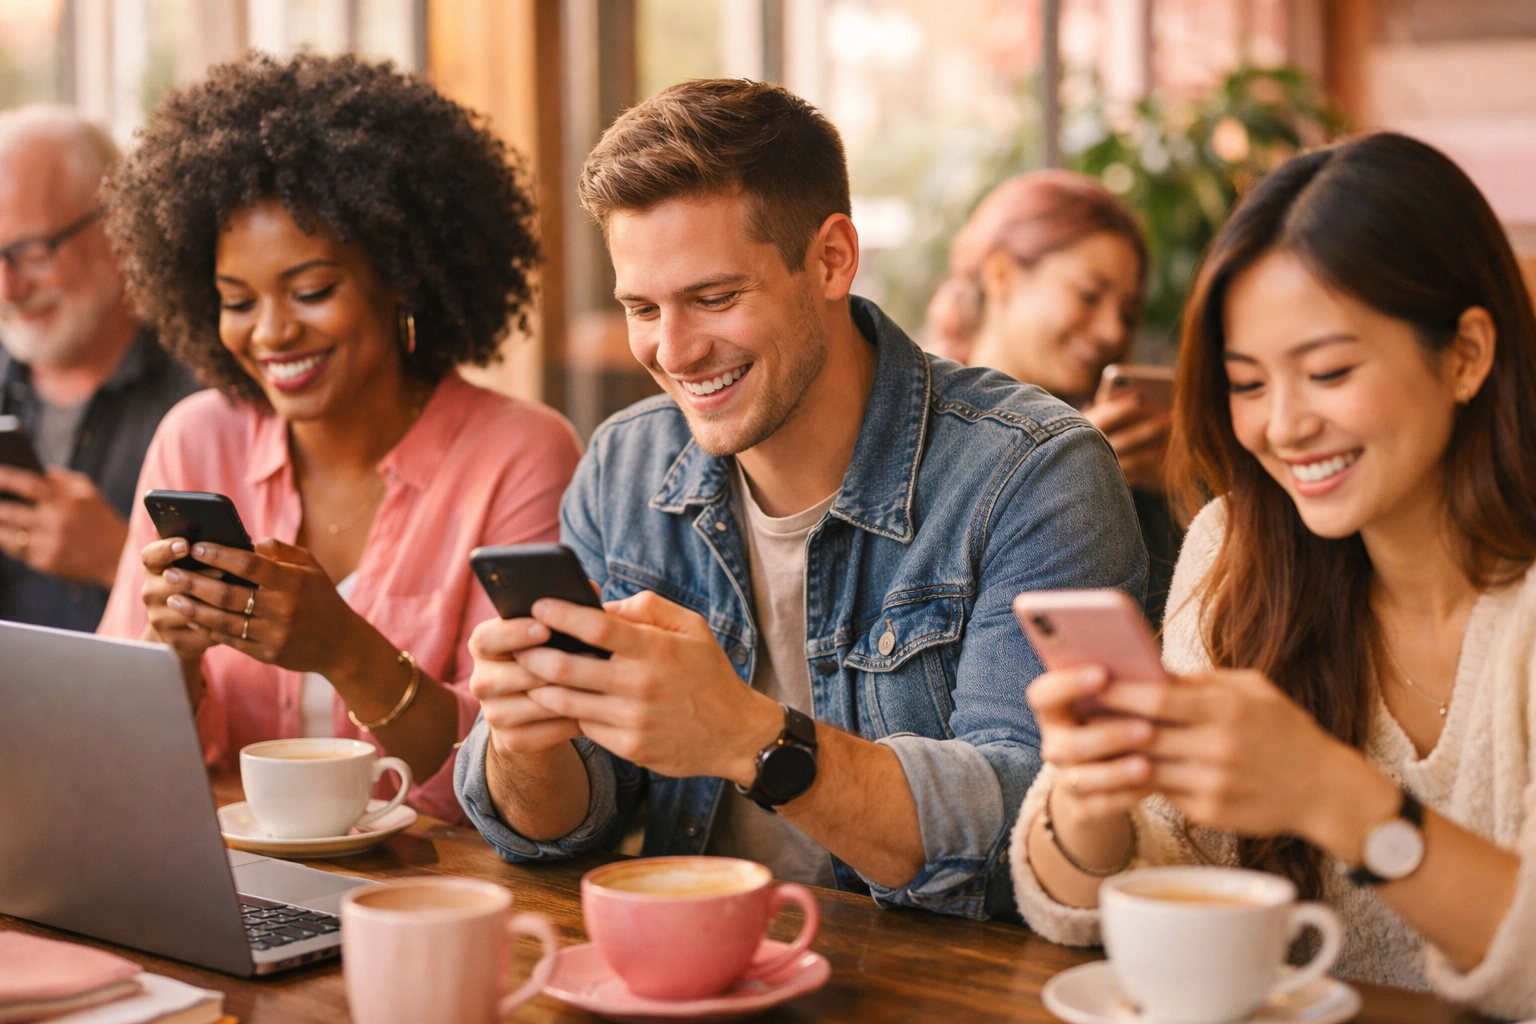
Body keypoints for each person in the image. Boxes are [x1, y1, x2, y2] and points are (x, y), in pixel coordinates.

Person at [455, 79, 1146, 918]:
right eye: (642, 308)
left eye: (715, 298)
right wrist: (527, 742)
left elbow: (1036, 838)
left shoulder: (1035, 473)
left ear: (831, 260)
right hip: (688, 959)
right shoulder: (624, 465)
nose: (674, 351)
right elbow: (563, 826)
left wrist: (749, 737)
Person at [1009, 133, 1536, 1018]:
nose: (1284, 426)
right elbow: (1108, 897)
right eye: (1248, 384)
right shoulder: (1238, 550)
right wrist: (1090, 795)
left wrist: (1336, 797)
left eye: (1328, 371)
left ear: (1466, 355)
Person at [97, 54, 582, 825]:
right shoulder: (196, 441)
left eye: (312, 290)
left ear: (403, 276)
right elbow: (114, 762)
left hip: (435, 880)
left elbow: (524, 780)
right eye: (237, 301)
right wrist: (172, 653)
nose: (271, 333)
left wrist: (346, 651)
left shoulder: (518, 455)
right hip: (232, 872)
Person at [925, 171, 1181, 626]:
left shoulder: (1127, 456)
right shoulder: (918, 431)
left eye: (1127, 313)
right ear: (1001, 274)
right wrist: (1062, 475)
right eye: (1089, 295)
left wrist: (1174, 494)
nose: (1113, 331)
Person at [0, 106, 200, 631]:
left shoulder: (202, 394)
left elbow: (253, 643)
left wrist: (119, 558)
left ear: (116, 227)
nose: (8, 290)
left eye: (32, 252)